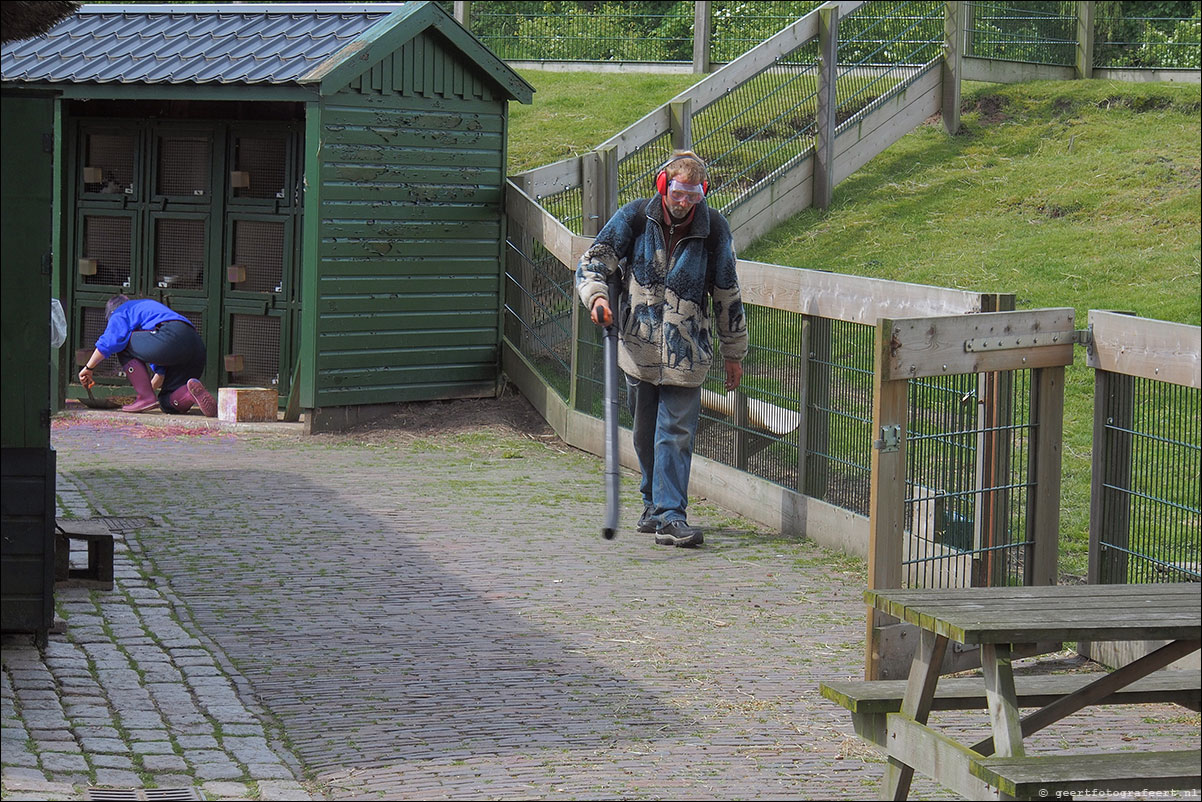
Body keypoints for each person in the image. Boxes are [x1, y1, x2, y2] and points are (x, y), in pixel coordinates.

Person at [576, 151, 748, 548]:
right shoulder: (636, 218)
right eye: (677, 191)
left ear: (702, 194)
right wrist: (597, 299)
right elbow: (593, 264)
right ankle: (653, 505)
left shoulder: (714, 230)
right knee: (644, 433)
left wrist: (733, 353)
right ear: (663, 186)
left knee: (674, 432)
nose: (683, 201)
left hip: (687, 355)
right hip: (637, 351)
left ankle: (672, 515)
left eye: (692, 194)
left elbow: (727, 295)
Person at [78, 294, 217, 417]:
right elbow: (160, 373)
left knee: (122, 344)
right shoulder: (145, 309)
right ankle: (188, 393)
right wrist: (147, 393)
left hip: (170, 335)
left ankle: (145, 396)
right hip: (195, 345)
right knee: (166, 402)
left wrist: (89, 368)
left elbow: (110, 341)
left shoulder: (121, 311)